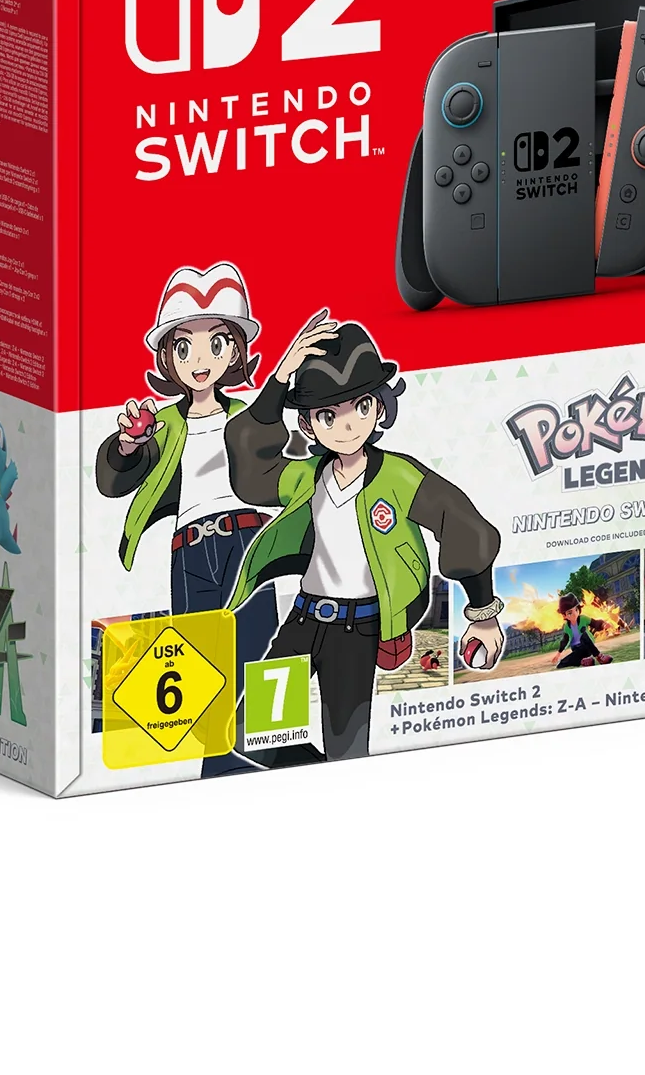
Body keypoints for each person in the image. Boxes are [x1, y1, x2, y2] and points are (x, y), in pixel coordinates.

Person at [225, 310, 505, 761]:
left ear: (379, 406)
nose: (348, 425)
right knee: (251, 732)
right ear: (309, 424)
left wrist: (483, 612)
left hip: (358, 630)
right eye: (328, 415)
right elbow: (252, 470)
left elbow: (460, 522)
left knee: (346, 750)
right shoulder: (305, 477)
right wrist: (279, 378)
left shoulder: (397, 475)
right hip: (303, 621)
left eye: (361, 407)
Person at [95, 262, 278, 775]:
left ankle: (234, 756)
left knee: (256, 640)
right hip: (190, 551)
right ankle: (219, 764)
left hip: (246, 540)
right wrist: (129, 443)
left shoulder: (246, 415)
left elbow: (279, 457)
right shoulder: (163, 423)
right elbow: (113, 481)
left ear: (235, 352)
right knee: (198, 660)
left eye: (216, 344)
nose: (200, 361)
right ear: (169, 359)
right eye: (184, 347)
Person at [553, 592, 604, 668]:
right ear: (564, 615)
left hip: (587, 646)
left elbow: (595, 623)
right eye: (570, 613)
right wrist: (558, 653)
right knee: (562, 663)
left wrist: (603, 625)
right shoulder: (567, 627)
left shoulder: (583, 619)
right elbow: (565, 640)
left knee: (584, 635)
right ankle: (584, 661)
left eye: (576, 610)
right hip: (576, 649)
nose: (574, 614)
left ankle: (599, 656)